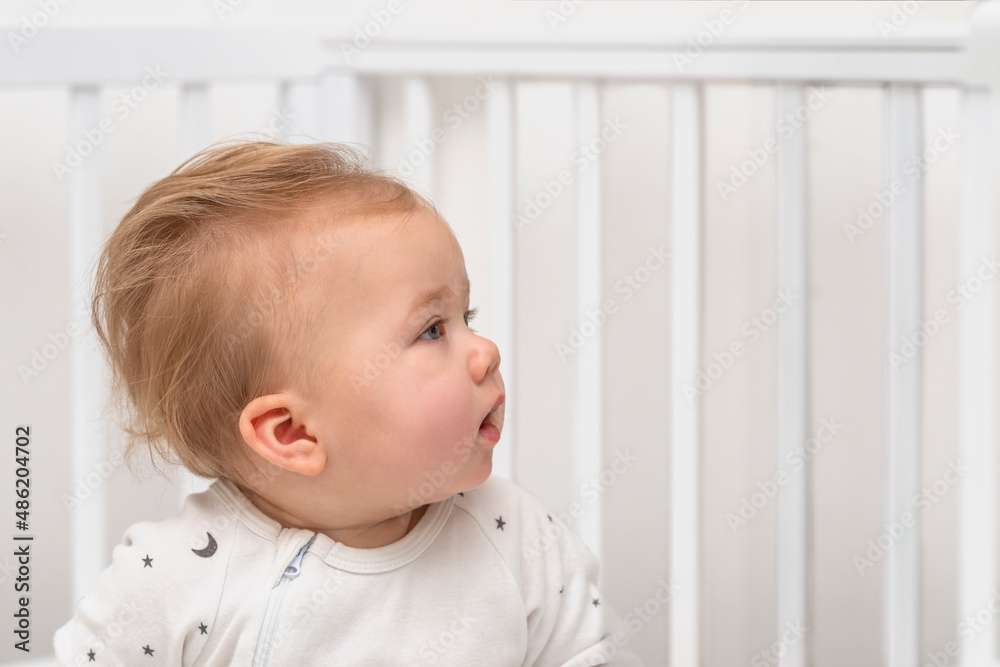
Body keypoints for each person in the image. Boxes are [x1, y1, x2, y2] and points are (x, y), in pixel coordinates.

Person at [53, 139, 642, 666]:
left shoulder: (512, 535)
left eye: (469, 317)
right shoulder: (175, 576)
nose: (485, 351)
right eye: (432, 330)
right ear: (292, 433)